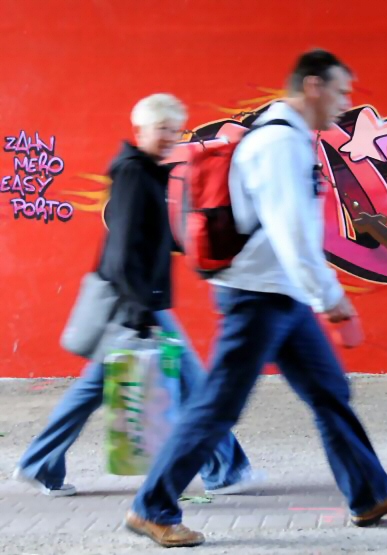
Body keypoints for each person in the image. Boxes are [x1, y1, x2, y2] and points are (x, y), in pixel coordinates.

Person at [123, 50, 387, 548]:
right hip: (255, 297)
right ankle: (150, 507)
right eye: (341, 90)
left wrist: (314, 294)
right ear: (313, 86)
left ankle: (369, 496)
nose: (346, 102)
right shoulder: (280, 143)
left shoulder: (290, 138)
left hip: (280, 295)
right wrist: (330, 297)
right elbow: (292, 233)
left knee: (329, 392)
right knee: (218, 407)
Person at [13, 94, 263, 498]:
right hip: (140, 305)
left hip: (138, 303)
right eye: (161, 129)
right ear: (140, 131)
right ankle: (226, 469)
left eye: (174, 129)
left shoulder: (147, 173)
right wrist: (142, 313)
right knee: (196, 385)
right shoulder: (134, 176)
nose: (169, 136)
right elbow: (126, 249)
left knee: (95, 386)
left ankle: (39, 463)